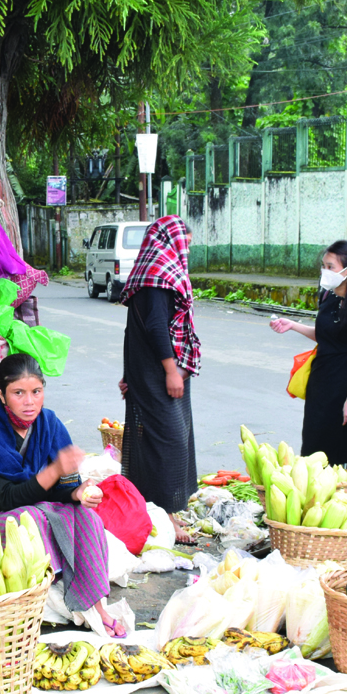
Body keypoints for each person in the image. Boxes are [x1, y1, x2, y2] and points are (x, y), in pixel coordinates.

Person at [0, 354, 126, 637]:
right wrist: (53, 471)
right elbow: (7, 500)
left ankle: (95, 604)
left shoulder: (49, 424)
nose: (30, 402)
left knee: (86, 517)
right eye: (19, 393)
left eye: (36, 392)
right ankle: (51, 601)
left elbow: (67, 485)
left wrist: (79, 492)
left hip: (42, 508)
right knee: (35, 518)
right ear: (2, 395)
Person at [116, 215, 200, 544]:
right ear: (169, 240)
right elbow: (152, 327)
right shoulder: (157, 276)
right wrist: (169, 370)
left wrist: (128, 373)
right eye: (185, 244)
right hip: (158, 374)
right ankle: (165, 518)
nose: (186, 251)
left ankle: (164, 514)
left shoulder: (152, 272)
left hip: (151, 371)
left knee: (161, 441)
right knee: (168, 442)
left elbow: (132, 329)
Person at [270, 239, 347, 468]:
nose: (325, 271)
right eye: (324, 266)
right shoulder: (327, 297)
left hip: (345, 388)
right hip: (320, 383)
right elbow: (325, 335)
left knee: (339, 455)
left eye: (331, 266)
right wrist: (292, 325)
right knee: (312, 448)